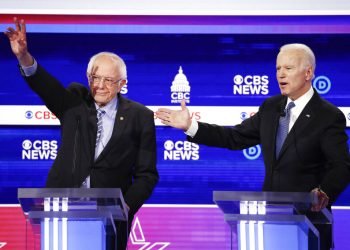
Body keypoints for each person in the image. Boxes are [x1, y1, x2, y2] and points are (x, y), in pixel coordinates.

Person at [157, 43, 350, 250]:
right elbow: (234, 137)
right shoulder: (271, 108)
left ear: (308, 72)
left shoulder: (327, 116)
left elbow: (341, 166)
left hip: (309, 221)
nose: (280, 74)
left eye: (288, 68)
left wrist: (324, 191)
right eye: (278, 69)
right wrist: (191, 126)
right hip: (270, 219)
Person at [5, 17, 159, 250]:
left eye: (108, 80)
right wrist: (23, 57)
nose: (99, 85)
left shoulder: (140, 116)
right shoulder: (75, 103)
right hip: (61, 208)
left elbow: (147, 174)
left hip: (112, 217)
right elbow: (47, 87)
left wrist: (126, 206)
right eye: (95, 78)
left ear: (122, 84)